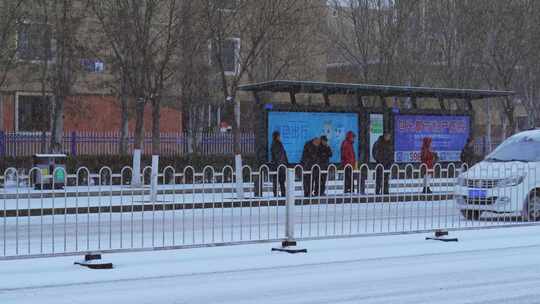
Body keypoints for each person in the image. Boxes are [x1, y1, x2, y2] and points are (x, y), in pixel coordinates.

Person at [270, 131, 288, 197]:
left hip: (280, 165)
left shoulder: (278, 144)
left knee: (280, 181)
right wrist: (282, 164)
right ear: (277, 137)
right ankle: (277, 194)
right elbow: (278, 156)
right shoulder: (276, 144)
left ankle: (282, 194)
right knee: (278, 181)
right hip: (278, 165)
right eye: (279, 136)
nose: (280, 137)